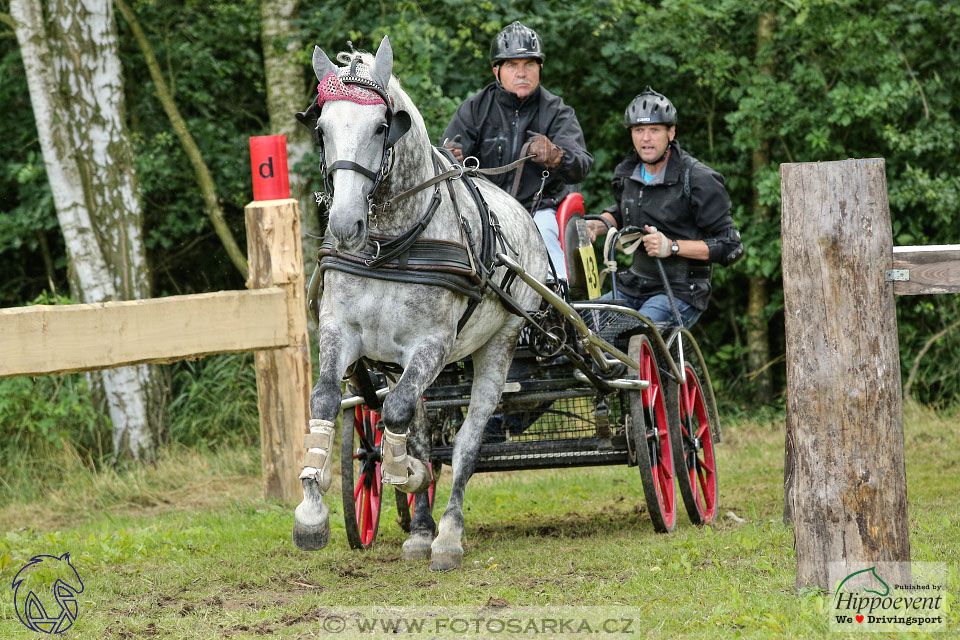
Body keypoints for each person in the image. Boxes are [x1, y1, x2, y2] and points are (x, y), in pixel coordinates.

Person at [442, 21, 593, 280]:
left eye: (529, 65)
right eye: (512, 65)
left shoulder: (558, 112)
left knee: (549, 261)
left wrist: (557, 156)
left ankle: (559, 311)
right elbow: (445, 157)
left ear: (540, 68)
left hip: (539, 211)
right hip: (484, 211)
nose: (522, 73)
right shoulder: (474, 109)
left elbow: (582, 164)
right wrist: (449, 157)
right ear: (497, 71)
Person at [586, 87, 743, 328]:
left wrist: (672, 246)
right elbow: (623, 210)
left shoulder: (699, 179)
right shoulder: (626, 173)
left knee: (630, 333)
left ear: (671, 132)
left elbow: (731, 246)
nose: (645, 138)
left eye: (654, 130)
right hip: (634, 286)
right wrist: (598, 225)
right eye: (639, 130)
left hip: (681, 292)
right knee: (581, 328)